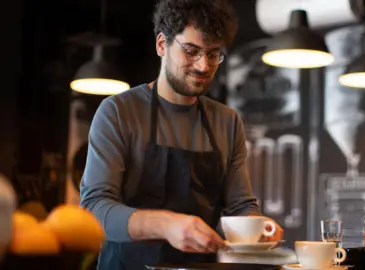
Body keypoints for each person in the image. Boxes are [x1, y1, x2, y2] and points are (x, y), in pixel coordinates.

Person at [79, 0, 284, 269]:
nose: (203, 66)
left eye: (213, 54)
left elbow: (240, 206)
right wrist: (166, 224)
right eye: (191, 51)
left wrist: (257, 226)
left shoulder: (227, 122)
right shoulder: (118, 112)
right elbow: (94, 209)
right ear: (162, 45)